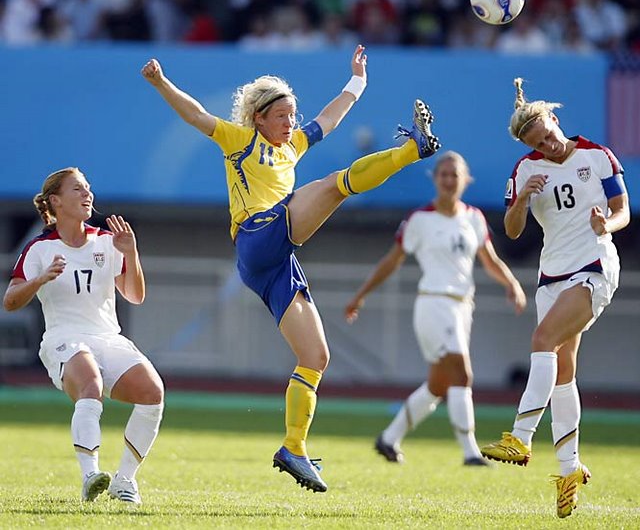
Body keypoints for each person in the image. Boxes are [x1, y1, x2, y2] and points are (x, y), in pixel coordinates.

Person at [141, 44, 440, 493]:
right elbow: (196, 115)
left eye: (292, 115)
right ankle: (412, 149)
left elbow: (331, 117)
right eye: (281, 116)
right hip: (256, 234)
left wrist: (357, 80)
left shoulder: (294, 144)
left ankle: (293, 448)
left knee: (316, 356)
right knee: (334, 185)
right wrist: (161, 82)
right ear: (258, 118)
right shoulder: (240, 141)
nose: (290, 122)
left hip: (274, 261)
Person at [480, 78, 630, 518]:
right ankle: (568, 471)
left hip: (594, 266)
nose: (547, 145)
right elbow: (511, 231)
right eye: (537, 143)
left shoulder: (597, 156)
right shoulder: (525, 170)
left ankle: (521, 437)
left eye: (547, 134)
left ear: (554, 119)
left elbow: (622, 209)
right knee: (563, 371)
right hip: (551, 275)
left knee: (543, 340)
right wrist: (522, 200)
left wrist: (607, 225)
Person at [344, 150, 527, 467]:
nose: (448, 180)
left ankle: (389, 438)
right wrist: (361, 294)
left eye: (454, 174)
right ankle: (470, 452)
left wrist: (511, 283)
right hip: (433, 303)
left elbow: (490, 259)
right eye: (443, 174)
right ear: (434, 179)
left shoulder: (473, 217)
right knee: (462, 373)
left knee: (438, 385)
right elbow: (392, 260)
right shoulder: (420, 219)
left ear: (465, 180)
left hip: (463, 306)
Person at [3, 168, 164, 505]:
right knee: (91, 385)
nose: (87, 194)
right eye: (77, 189)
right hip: (64, 338)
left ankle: (124, 480)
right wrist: (40, 279)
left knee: (153, 393)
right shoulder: (39, 249)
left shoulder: (106, 240)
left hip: (107, 337)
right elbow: (11, 301)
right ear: (56, 201)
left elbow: (135, 296)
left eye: (88, 188)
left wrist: (131, 253)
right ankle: (91, 475)